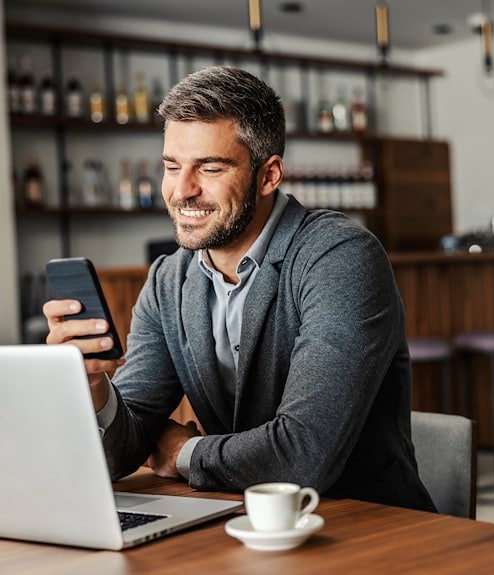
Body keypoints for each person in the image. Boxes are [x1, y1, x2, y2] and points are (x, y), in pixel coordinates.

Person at [44, 65, 436, 512]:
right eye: (172, 166)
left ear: (268, 176)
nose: (181, 191)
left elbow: (303, 456)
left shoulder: (341, 257)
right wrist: (93, 384)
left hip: (371, 527)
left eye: (209, 168)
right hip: (240, 523)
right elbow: (125, 444)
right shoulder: (168, 280)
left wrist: (182, 452)